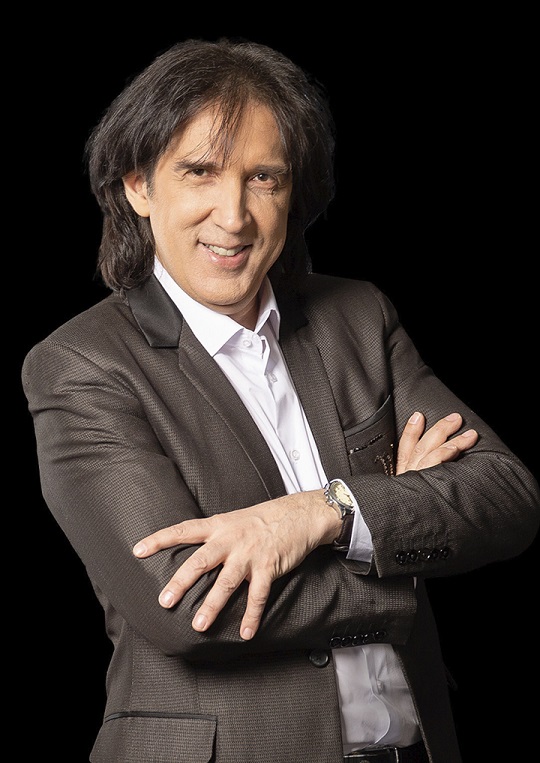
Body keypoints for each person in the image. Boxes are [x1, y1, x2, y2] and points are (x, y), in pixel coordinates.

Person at [21, 37, 539, 763]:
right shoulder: (82, 365)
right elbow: (195, 606)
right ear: (138, 185)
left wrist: (324, 514)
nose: (234, 215)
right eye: (199, 172)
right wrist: (396, 543)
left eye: (263, 177)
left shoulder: (357, 316)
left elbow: (506, 495)